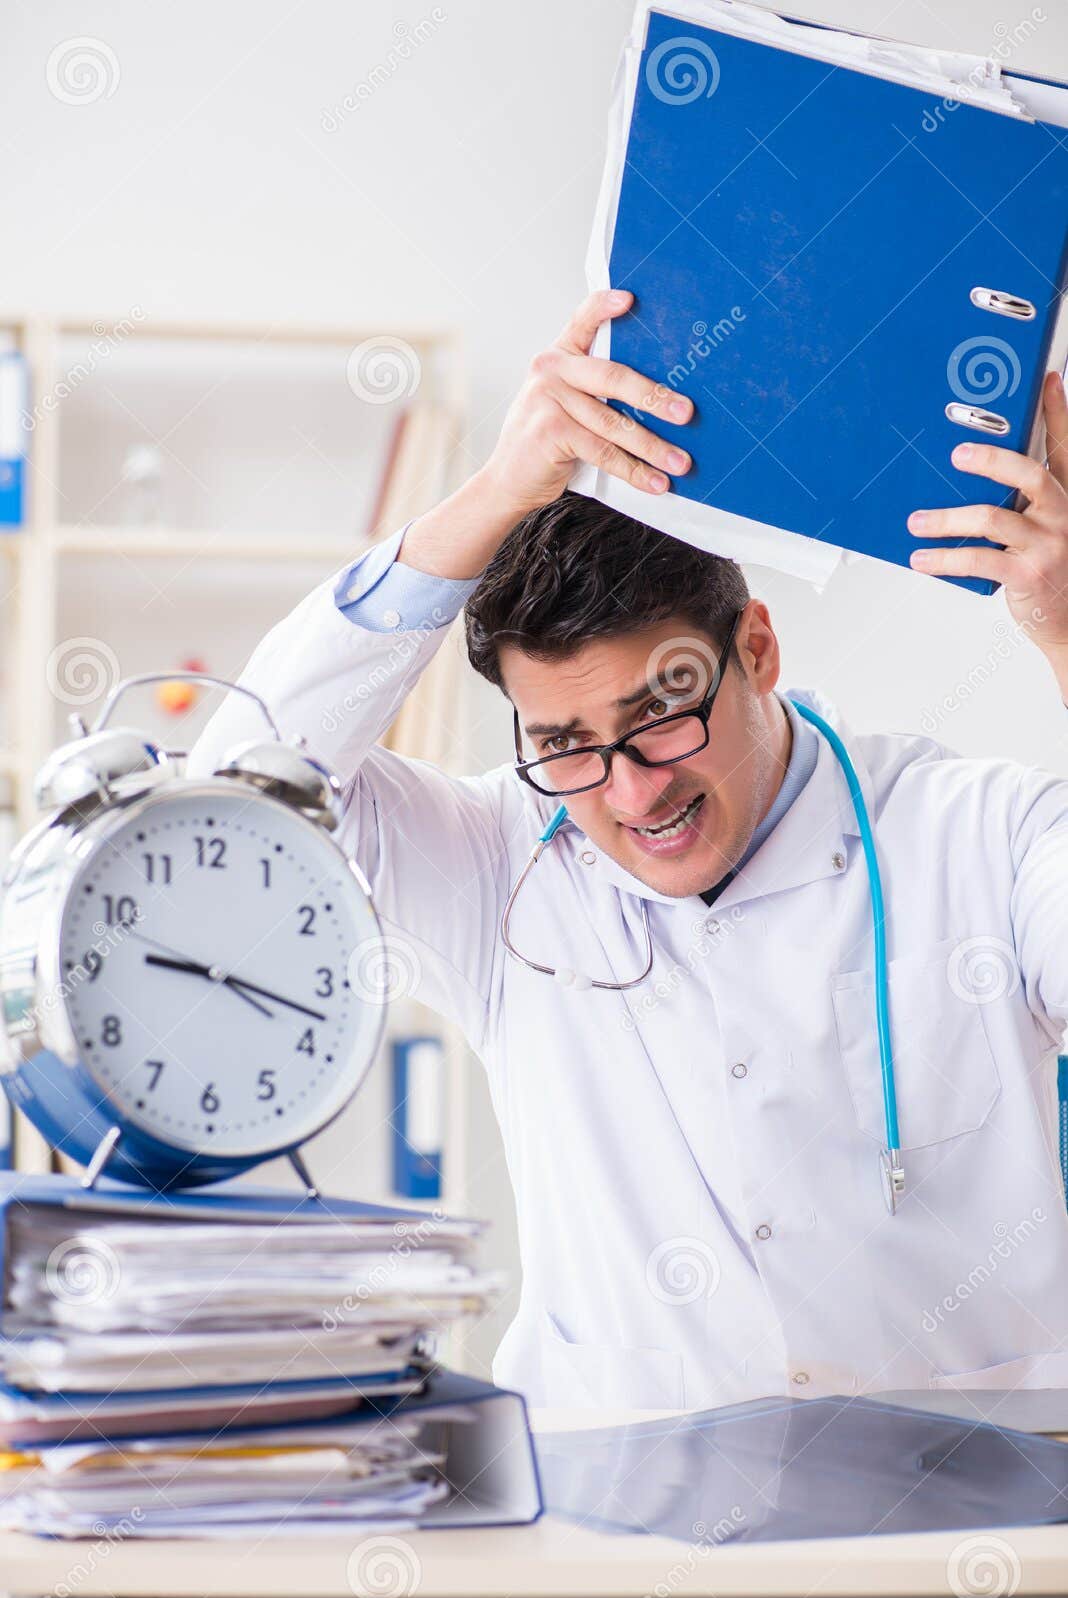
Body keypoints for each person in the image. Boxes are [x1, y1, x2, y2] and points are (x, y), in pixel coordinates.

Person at [190, 290, 1068, 1412]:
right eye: (565, 741)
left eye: (663, 711)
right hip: (618, 1542)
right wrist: (501, 491)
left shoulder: (972, 833)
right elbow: (229, 806)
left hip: (957, 1533)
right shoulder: (496, 865)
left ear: (755, 646)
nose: (633, 790)